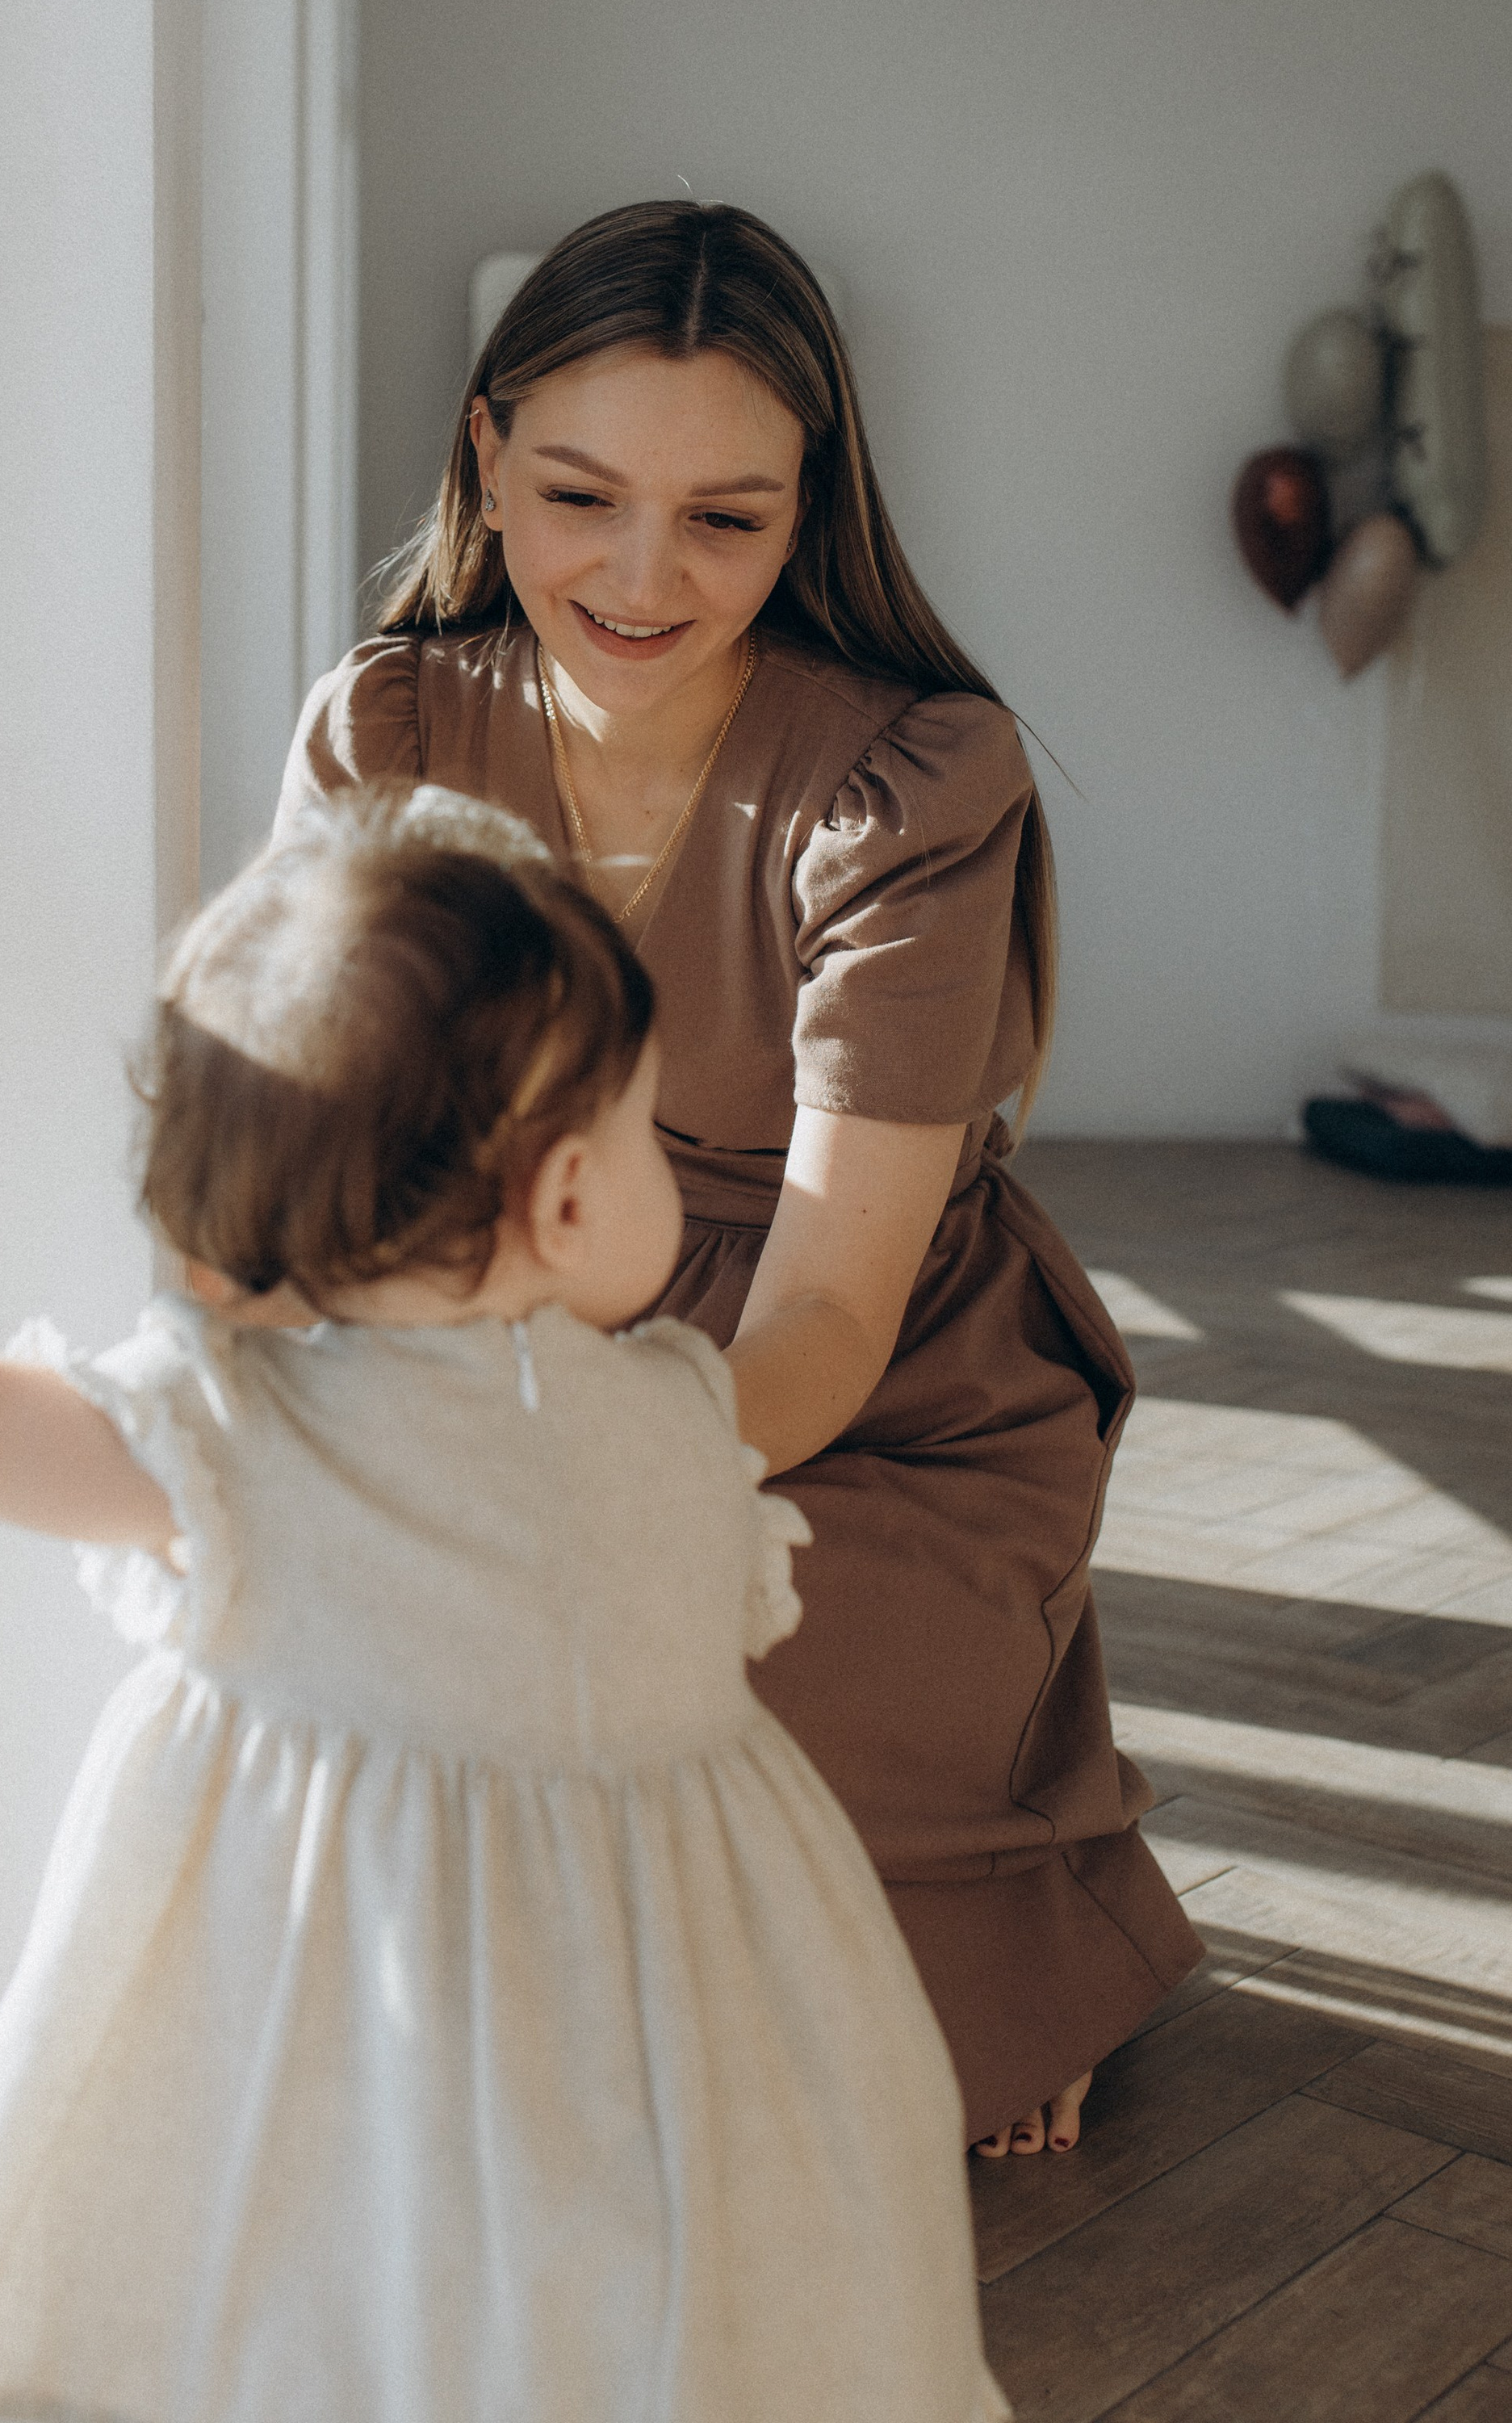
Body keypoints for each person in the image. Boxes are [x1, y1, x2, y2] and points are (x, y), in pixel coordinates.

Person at [0, 790, 1007, 2423]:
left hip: (339, 2042)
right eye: (645, 1132)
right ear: (560, 1201)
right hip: (677, 2057)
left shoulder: (249, 1441)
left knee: (317, 2314)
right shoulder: (685, 1418)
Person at [279, 200, 1204, 2161]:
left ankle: (1002, 1914)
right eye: (576, 493)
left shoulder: (919, 780)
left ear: (811, 510)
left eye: (724, 516)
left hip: (865, 1384)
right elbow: (312, 1170)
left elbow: (827, 1313)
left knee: (738, 1680)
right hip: (508, 1340)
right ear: (480, 455)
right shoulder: (382, 726)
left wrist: (604, 1486)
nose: (636, 573)